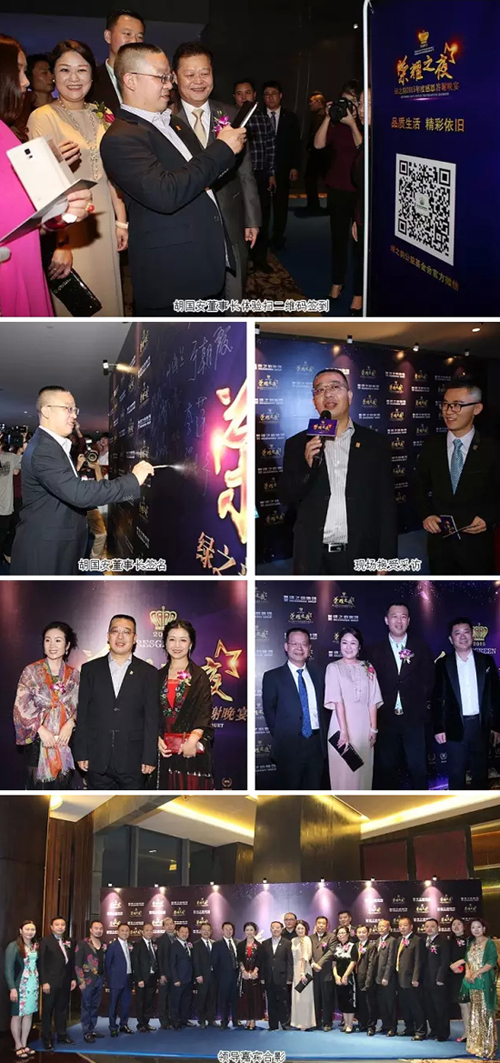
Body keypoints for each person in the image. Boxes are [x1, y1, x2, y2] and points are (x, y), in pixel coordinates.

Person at [100, 43, 247, 315]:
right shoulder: (120, 138)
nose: (170, 85)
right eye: (162, 77)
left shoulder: (174, 123)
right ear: (130, 81)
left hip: (205, 263)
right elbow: (166, 193)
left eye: (169, 77)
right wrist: (222, 148)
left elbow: (200, 177)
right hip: (172, 276)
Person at [27, 39, 127, 316]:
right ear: (53, 75)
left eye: (81, 70)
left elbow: (112, 171)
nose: (74, 78)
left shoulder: (103, 114)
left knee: (109, 302)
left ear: (92, 76)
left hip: (103, 220)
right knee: (80, 308)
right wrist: (62, 243)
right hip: (68, 226)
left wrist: (121, 220)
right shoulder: (42, 117)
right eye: (65, 70)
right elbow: (43, 188)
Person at [10, 386, 152, 575]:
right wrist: (132, 480)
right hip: (46, 552)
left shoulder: (54, 446)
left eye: (75, 409)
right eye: (68, 408)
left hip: (57, 545)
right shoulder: (44, 449)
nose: (74, 415)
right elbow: (78, 493)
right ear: (46, 411)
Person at [0, 35, 92, 316]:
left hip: (24, 259)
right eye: (18, 71)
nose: (25, 82)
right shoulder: (37, 118)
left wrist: (64, 213)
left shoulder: (6, 133)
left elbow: (26, 217)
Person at [279, 368, 397, 574]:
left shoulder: (375, 444)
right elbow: (286, 496)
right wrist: (307, 467)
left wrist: (386, 560)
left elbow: (386, 504)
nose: (328, 394)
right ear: (314, 402)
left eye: (335, 387)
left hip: (361, 552)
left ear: (350, 396)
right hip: (312, 556)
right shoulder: (297, 444)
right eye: (320, 390)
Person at [173, 43, 260, 299]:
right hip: (186, 222)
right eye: (190, 74)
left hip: (230, 220)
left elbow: (245, 171)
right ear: (175, 77)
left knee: (234, 296)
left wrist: (252, 218)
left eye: (205, 73)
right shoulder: (165, 118)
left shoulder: (231, 114)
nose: (199, 81)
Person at [415, 377, 500, 575]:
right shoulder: (431, 446)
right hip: (439, 546)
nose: (448, 411)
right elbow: (419, 486)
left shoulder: (492, 448)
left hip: (477, 546)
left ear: (477, 409)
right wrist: (426, 515)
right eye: (445, 404)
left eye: (457, 405)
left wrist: (489, 518)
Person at [74, 613, 157, 788]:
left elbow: (151, 717)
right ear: (108, 636)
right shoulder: (90, 669)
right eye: (115, 631)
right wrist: (81, 752)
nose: (120, 637)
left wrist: (149, 756)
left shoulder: (148, 672)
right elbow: (83, 714)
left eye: (126, 632)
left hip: (133, 760)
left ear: (135, 638)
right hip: (97, 758)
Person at [368, 602, 435, 790]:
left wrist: (417, 700)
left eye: (403, 617)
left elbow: (430, 679)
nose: (399, 621)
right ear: (386, 620)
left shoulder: (421, 648)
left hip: (414, 719)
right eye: (394, 616)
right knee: (387, 769)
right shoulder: (374, 651)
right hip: (385, 719)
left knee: (418, 769)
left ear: (409, 620)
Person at [432, 617, 500, 790]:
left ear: (472, 635)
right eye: (457, 633)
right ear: (451, 639)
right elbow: (437, 697)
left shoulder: (486, 661)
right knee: (456, 774)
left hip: (480, 726)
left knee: (480, 773)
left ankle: (481, 805)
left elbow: (495, 695)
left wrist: (496, 726)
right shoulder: (443, 664)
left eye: (466, 632)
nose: (462, 637)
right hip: (455, 727)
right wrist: (439, 727)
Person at [13, 621, 79, 789]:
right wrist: (41, 730)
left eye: (58, 640)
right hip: (37, 743)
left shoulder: (74, 675)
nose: (52, 645)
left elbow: (81, 707)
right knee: (38, 792)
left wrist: (70, 724)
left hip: (64, 742)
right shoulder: (31, 672)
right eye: (47, 640)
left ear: (67, 645)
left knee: (63, 788)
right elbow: (20, 709)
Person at [314, 80, 362, 307]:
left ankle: (359, 293)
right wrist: (328, 116)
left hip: (360, 192)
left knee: (360, 244)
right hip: (337, 188)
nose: (347, 106)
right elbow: (318, 145)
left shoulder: (365, 125)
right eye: (343, 101)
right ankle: (337, 281)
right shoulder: (337, 124)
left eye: (352, 102)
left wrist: (353, 125)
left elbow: (363, 149)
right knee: (338, 239)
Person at [262, 627, 326, 789]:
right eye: (294, 644)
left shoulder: (318, 674)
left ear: (309, 648)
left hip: (316, 746)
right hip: (288, 747)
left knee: (314, 793)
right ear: (286, 646)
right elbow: (270, 713)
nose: (299, 648)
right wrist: (283, 736)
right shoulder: (272, 677)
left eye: (304, 644)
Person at [157, 619, 214, 789]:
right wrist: (156, 739)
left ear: (191, 644)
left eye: (183, 640)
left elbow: (204, 712)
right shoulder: (156, 676)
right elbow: (149, 713)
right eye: (172, 639)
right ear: (165, 643)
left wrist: (193, 741)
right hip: (163, 751)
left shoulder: (199, 676)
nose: (177, 645)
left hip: (191, 750)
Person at [324, 625, 383, 790]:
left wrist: (373, 729)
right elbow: (337, 701)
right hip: (341, 727)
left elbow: (373, 700)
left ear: (359, 646)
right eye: (344, 643)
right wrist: (344, 731)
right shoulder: (333, 667)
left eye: (353, 643)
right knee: (344, 773)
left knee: (362, 773)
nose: (348, 647)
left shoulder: (368, 667)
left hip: (364, 729)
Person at [233, 78, 275, 273]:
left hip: (260, 175)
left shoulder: (263, 119)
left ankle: (260, 258)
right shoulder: (227, 118)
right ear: (234, 97)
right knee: (238, 218)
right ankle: (243, 257)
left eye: (247, 93)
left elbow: (271, 147)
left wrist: (271, 173)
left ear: (254, 95)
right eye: (239, 93)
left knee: (262, 217)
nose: (243, 97)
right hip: (236, 178)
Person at [262, 81, 300, 250]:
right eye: (267, 94)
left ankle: (278, 237)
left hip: (283, 168)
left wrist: (295, 166)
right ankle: (262, 238)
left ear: (281, 96)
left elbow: (296, 144)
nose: (270, 97)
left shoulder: (290, 117)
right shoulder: (257, 117)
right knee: (263, 206)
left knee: (281, 205)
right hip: (262, 169)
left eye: (274, 93)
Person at [91, 9, 145, 115]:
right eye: (127, 34)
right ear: (108, 36)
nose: (134, 41)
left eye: (139, 37)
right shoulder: (92, 81)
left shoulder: (146, 81)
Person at [462, 918, 498, 1059]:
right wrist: (468, 973)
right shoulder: (471, 944)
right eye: (473, 927)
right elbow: (467, 960)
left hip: (485, 982)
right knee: (475, 1012)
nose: (476, 930)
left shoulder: (489, 943)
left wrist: (477, 973)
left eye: (478, 927)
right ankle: (476, 1045)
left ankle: (487, 1047)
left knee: (485, 1013)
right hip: (473, 983)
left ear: (484, 929)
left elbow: (491, 962)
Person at [38, 916, 76, 1051]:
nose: (60, 927)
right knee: (48, 1011)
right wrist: (44, 982)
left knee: (62, 1010)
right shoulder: (45, 941)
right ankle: (47, 1039)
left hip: (65, 981)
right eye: (57, 925)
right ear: (51, 927)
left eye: (63, 925)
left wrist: (73, 978)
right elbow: (41, 963)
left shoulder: (69, 941)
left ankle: (62, 1035)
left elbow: (71, 962)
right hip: (50, 982)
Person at [5, 920, 39, 1060]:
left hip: (33, 984)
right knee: (17, 1015)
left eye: (32, 929)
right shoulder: (13, 946)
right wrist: (12, 988)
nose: (30, 932)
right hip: (20, 985)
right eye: (27, 929)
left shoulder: (35, 945)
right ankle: (18, 1045)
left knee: (28, 1014)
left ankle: (24, 1043)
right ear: (20, 931)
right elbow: (8, 969)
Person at [74, 920, 106, 1043]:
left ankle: (92, 1029)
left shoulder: (103, 945)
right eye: (96, 928)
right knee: (86, 1006)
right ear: (91, 930)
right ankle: (86, 1031)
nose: (98, 930)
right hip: (87, 980)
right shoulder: (83, 944)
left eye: (100, 928)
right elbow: (77, 964)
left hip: (100, 979)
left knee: (95, 1005)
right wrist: (81, 981)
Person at [396, 917, 426, 1041]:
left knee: (416, 1007)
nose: (402, 927)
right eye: (400, 925)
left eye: (405, 925)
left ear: (411, 926)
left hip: (411, 979)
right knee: (405, 1006)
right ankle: (409, 1028)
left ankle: (420, 1031)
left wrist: (416, 978)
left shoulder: (417, 940)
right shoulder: (399, 940)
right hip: (400, 979)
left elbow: (419, 961)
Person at [422, 918, 450, 1042]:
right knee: (429, 1007)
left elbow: (445, 961)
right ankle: (433, 1030)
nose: (429, 929)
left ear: (438, 927)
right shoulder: (424, 941)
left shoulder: (443, 941)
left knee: (440, 1007)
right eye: (427, 926)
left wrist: (440, 977)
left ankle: (443, 1033)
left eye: (432, 926)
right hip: (426, 980)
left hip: (438, 980)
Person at [262, 921, 293, 1030]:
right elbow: (263, 962)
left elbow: (290, 961)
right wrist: (262, 977)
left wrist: (289, 977)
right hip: (269, 978)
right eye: (273, 928)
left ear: (281, 929)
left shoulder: (287, 943)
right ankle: (273, 1025)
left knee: (284, 1002)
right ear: (270, 929)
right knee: (271, 1002)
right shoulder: (265, 943)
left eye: (278, 928)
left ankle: (285, 1024)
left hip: (282, 977)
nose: (275, 930)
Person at [105, 923, 134, 1037]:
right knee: (113, 1005)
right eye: (122, 930)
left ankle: (123, 1025)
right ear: (118, 932)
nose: (125, 933)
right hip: (116, 981)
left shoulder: (130, 945)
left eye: (127, 931)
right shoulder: (113, 946)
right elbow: (108, 964)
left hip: (128, 979)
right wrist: (110, 980)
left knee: (126, 1004)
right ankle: (113, 1027)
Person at [302, 92, 327, 215]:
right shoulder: (316, 116)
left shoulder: (322, 117)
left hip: (321, 154)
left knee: (311, 179)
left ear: (319, 103)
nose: (310, 104)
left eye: (312, 101)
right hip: (318, 153)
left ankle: (314, 205)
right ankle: (314, 204)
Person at [236, 922, 265, 1029]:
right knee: (245, 998)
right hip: (244, 976)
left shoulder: (259, 946)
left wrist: (255, 972)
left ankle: (253, 1020)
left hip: (255, 976)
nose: (249, 932)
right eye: (247, 930)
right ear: (244, 931)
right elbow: (239, 959)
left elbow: (260, 960)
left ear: (255, 931)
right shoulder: (240, 945)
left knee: (254, 998)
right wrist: (243, 971)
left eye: (251, 930)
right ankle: (247, 1019)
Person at [309, 916, 336, 1031]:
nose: (321, 925)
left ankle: (327, 1023)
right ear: (315, 924)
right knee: (315, 998)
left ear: (327, 926)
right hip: (313, 972)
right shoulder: (309, 938)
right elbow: (307, 953)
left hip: (326, 972)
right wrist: (313, 964)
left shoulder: (331, 937)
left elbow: (331, 951)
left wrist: (319, 964)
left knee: (326, 999)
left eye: (323, 923)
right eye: (319, 923)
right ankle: (316, 1022)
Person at [212, 922, 240, 1029]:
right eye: (226, 929)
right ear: (222, 931)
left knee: (235, 1000)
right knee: (223, 1000)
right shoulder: (217, 944)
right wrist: (219, 978)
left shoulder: (238, 943)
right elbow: (214, 963)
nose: (229, 931)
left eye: (230, 929)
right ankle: (224, 1021)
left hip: (236, 977)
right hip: (223, 978)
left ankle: (236, 1020)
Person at [372, 918, 397, 1036]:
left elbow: (391, 960)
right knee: (381, 1004)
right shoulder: (377, 941)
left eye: (383, 926)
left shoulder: (392, 941)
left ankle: (393, 1027)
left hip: (387, 979)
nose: (381, 928)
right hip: (377, 978)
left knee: (390, 1004)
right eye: (379, 926)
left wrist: (386, 977)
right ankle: (385, 1025)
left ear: (389, 928)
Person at [132, 923, 158, 1032]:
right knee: (141, 1002)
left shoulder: (153, 944)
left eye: (151, 930)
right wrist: (139, 979)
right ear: (142, 932)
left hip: (152, 977)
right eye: (147, 930)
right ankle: (140, 1024)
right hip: (142, 979)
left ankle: (146, 1022)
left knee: (149, 1002)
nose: (149, 932)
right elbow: (135, 963)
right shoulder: (138, 945)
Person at [290, 920, 316, 1030]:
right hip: (295, 970)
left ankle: (306, 1023)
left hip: (304, 970)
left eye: (302, 928)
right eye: (298, 928)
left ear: (306, 929)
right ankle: (297, 1022)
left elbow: (306, 957)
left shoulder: (307, 940)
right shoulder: (293, 940)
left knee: (305, 997)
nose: (300, 930)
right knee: (297, 997)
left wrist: (302, 972)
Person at [332, 926, 358, 1033]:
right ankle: (345, 1023)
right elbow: (334, 963)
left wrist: (345, 975)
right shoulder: (337, 947)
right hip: (338, 978)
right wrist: (336, 976)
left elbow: (353, 962)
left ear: (348, 934)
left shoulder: (353, 946)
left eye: (343, 933)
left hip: (349, 977)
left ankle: (350, 1024)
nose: (341, 935)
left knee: (349, 1001)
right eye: (339, 933)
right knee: (342, 1000)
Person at [0, 445, 23, 565]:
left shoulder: (9, 457)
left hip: (6, 505)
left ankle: (5, 553)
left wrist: (21, 449)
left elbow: (16, 470)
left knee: (5, 533)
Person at [448, 918, 470, 1042]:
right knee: (462, 1006)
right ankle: (466, 1032)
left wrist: (460, 962)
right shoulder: (449, 941)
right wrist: (452, 966)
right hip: (455, 976)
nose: (456, 926)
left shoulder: (470, 940)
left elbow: (473, 956)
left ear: (464, 926)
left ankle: (474, 1034)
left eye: (459, 924)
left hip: (469, 974)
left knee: (470, 1005)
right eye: (454, 924)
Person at [168, 925, 193, 1029]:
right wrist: (175, 979)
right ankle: (175, 1022)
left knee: (186, 1002)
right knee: (176, 1002)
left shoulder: (188, 945)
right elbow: (172, 964)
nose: (184, 934)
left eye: (186, 932)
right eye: (182, 932)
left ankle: (184, 1020)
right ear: (177, 933)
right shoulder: (174, 946)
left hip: (188, 979)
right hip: (178, 980)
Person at [192, 921, 216, 1028]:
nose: (206, 932)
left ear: (211, 931)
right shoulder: (196, 944)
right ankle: (201, 1020)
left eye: (208, 930)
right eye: (204, 930)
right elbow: (195, 961)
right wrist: (198, 975)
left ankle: (211, 1019)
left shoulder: (214, 943)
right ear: (200, 931)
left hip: (213, 976)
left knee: (212, 998)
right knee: (202, 998)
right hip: (202, 976)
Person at [355, 925, 376, 1035]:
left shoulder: (371, 946)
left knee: (369, 1005)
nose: (361, 934)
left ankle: (371, 1026)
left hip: (367, 980)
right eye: (359, 932)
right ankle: (362, 1024)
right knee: (360, 1003)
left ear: (368, 933)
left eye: (363, 932)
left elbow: (371, 965)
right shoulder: (355, 945)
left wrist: (368, 980)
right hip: (357, 979)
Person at [157, 916, 176, 1029]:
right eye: (167, 924)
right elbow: (159, 958)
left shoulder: (178, 937)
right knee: (163, 999)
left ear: (174, 925)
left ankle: (173, 1019)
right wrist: (161, 974)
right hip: (165, 974)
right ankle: (164, 1022)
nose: (169, 926)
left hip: (176, 974)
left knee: (173, 999)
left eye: (171, 924)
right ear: (163, 927)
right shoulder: (160, 940)